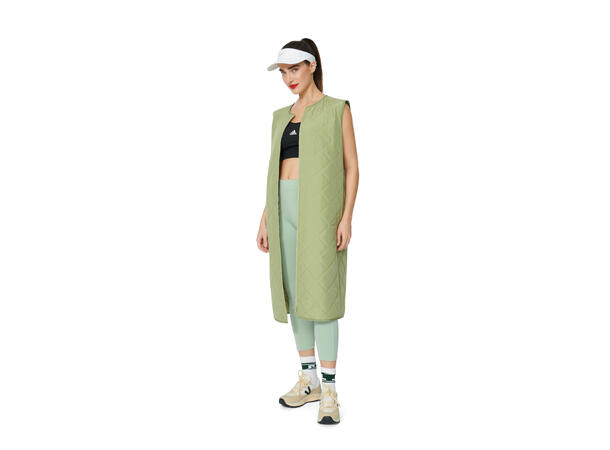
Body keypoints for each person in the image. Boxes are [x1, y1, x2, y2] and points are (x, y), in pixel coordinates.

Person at [257, 38, 359, 425]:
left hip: (320, 212)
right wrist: (266, 217)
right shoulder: (280, 117)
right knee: (296, 296)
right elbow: (275, 169)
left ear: (312, 66)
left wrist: (346, 217)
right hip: (282, 209)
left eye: (294, 69)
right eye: (283, 72)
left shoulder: (336, 109)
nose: (288, 78)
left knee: (323, 298)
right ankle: (309, 381)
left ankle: (330, 391)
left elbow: (352, 166)